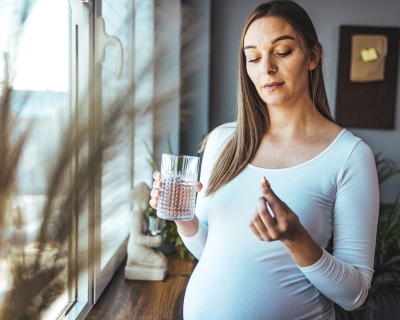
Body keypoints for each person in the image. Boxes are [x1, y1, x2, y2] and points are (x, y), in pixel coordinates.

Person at [150, 1, 379, 319]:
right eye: (253, 57)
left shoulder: (349, 156)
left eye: (282, 52)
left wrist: (296, 239)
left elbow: (354, 295)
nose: (266, 68)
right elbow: (211, 252)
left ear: (313, 56)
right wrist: (183, 217)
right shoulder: (222, 141)